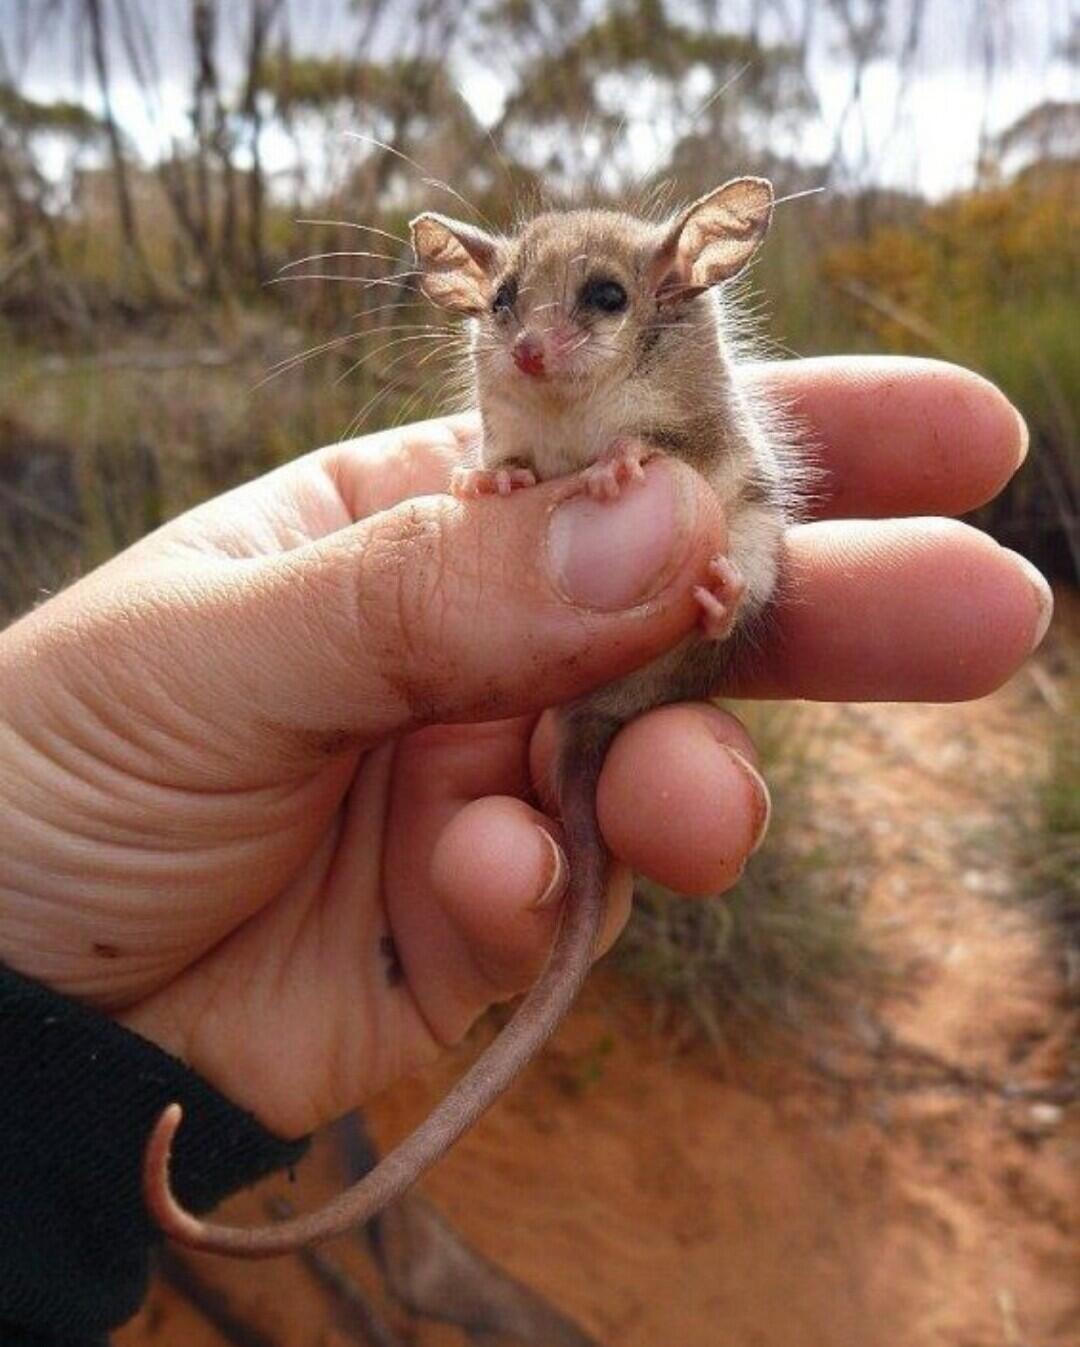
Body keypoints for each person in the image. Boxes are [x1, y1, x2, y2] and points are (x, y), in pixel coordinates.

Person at [0, 357, 1051, 1345]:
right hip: (564, 689)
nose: (539, 346)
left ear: (659, 300)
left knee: (698, 687)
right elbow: (515, 456)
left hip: (668, 644)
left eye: (591, 303)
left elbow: (733, 487)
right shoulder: (519, 389)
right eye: (510, 305)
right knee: (601, 836)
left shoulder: (680, 374)